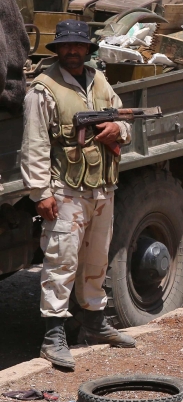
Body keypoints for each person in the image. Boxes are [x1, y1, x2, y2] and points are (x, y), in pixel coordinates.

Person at [21, 19, 136, 371]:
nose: (73, 51)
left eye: (79, 46)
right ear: (58, 51)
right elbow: (35, 145)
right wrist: (41, 192)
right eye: (66, 46)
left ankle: (95, 321)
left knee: (97, 258)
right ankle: (53, 336)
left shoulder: (99, 80)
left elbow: (124, 121)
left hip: (102, 187)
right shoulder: (43, 89)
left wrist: (118, 129)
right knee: (61, 261)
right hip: (65, 191)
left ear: (88, 49)